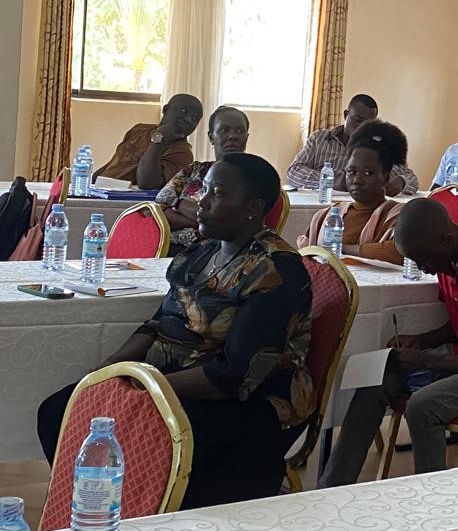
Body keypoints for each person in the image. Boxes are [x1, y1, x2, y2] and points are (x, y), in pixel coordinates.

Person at [37, 153, 313, 509]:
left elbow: (234, 375)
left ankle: (134, 517)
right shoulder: (203, 250)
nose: (201, 201)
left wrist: (146, 389)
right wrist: (111, 370)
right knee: (59, 409)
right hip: (174, 380)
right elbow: (158, 322)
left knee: (137, 430)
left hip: (247, 403)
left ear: (252, 207)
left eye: (217, 193)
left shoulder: (276, 271)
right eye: (204, 190)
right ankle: (99, 511)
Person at [319, 198, 458, 485]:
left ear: (446, 240)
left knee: (423, 406)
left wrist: (429, 360)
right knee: (376, 379)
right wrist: (423, 341)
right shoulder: (450, 258)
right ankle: (333, 487)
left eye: (423, 261)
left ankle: (430, 496)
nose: (424, 268)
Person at [297, 120, 407, 264]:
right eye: (352, 172)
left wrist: (342, 249)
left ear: (385, 177)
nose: (357, 180)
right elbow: (307, 252)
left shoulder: (397, 216)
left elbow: (398, 251)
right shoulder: (327, 215)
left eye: (368, 173)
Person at [155, 106, 249, 254]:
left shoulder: (253, 176)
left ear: (246, 137)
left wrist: (177, 204)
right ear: (211, 137)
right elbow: (158, 209)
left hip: (216, 255)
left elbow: (224, 222)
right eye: (224, 130)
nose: (232, 136)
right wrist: (202, 221)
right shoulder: (193, 170)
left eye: (239, 131)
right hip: (169, 247)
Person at [286, 94, 419, 195]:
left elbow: (411, 178)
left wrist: (401, 182)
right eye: (357, 120)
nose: (361, 127)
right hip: (324, 208)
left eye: (368, 123)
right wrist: (330, 181)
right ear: (346, 115)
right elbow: (294, 172)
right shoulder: (320, 139)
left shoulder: (378, 147)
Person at [94, 93, 203, 188]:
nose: (188, 120)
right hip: (100, 190)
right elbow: (113, 164)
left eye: (194, 119)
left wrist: (159, 138)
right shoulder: (139, 129)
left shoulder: (183, 153)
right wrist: (89, 183)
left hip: (126, 202)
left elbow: (146, 183)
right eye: (183, 111)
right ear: (166, 110)